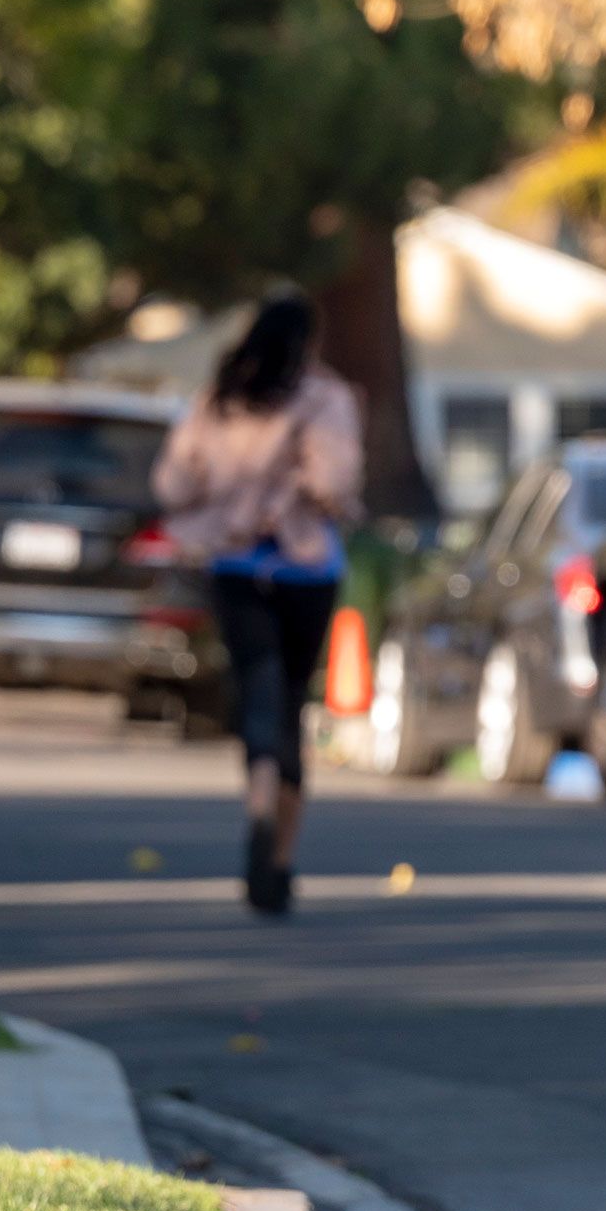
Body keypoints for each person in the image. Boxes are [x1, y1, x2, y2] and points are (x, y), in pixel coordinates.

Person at [155, 289, 364, 916]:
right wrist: (302, 484)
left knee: (258, 691)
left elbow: (171, 481)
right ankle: (280, 854)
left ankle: (258, 801)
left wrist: (223, 486)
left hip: (234, 562)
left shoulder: (220, 399)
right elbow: (335, 483)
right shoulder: (326, 399)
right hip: (305, 567)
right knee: (290, 701)